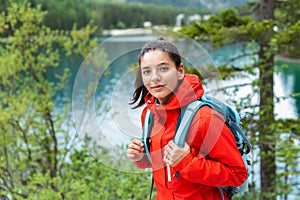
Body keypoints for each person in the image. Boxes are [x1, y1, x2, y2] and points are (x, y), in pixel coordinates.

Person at [127, 38, 248, 200]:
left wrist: (187, 162)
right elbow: (163, 164)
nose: (154, 78)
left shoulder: (205, 118)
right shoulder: (150, 115)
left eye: (163, 68)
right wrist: (142, 157)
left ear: (180, 71)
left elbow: (237, 175)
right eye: (147, 71)